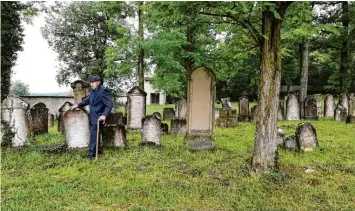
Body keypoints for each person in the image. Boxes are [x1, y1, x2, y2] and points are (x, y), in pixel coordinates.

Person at [70, 75, 113, 159]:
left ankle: (91, 154)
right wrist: (78, 105)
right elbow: (88, 100)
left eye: (93, 82)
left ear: (98, 82)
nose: (91, 84)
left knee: (93, 135)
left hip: (99, 117)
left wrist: (104, 115)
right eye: (91, 82)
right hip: (93, 116)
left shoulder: (103, 91)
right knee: (95, 134)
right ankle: (98, 150)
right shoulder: (93, 90)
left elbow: (109, 104)